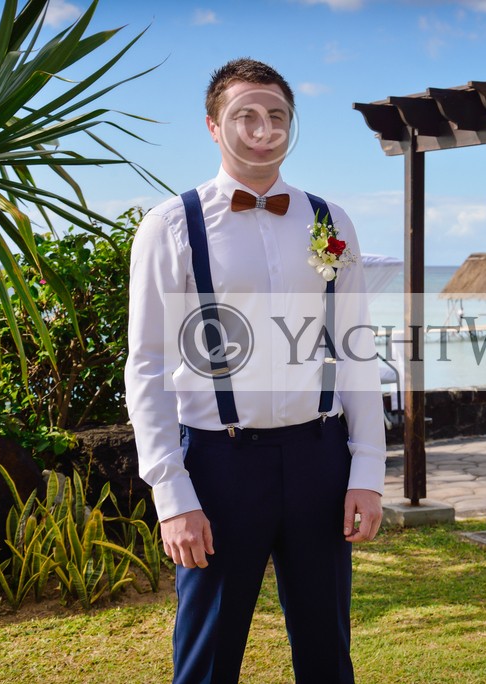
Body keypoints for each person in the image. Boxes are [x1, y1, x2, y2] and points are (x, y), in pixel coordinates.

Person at [124, 58, 385, 683]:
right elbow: (149, 366)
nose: (263, 129)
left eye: (277, 115)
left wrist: (368, 471)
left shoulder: (330, 221)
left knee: (327, 654)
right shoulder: (171, 226)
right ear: (214, 126)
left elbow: (355, 347)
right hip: (220, 464)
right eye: (245, 115)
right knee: (208, 659)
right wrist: (172, 496)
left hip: (320, 458)